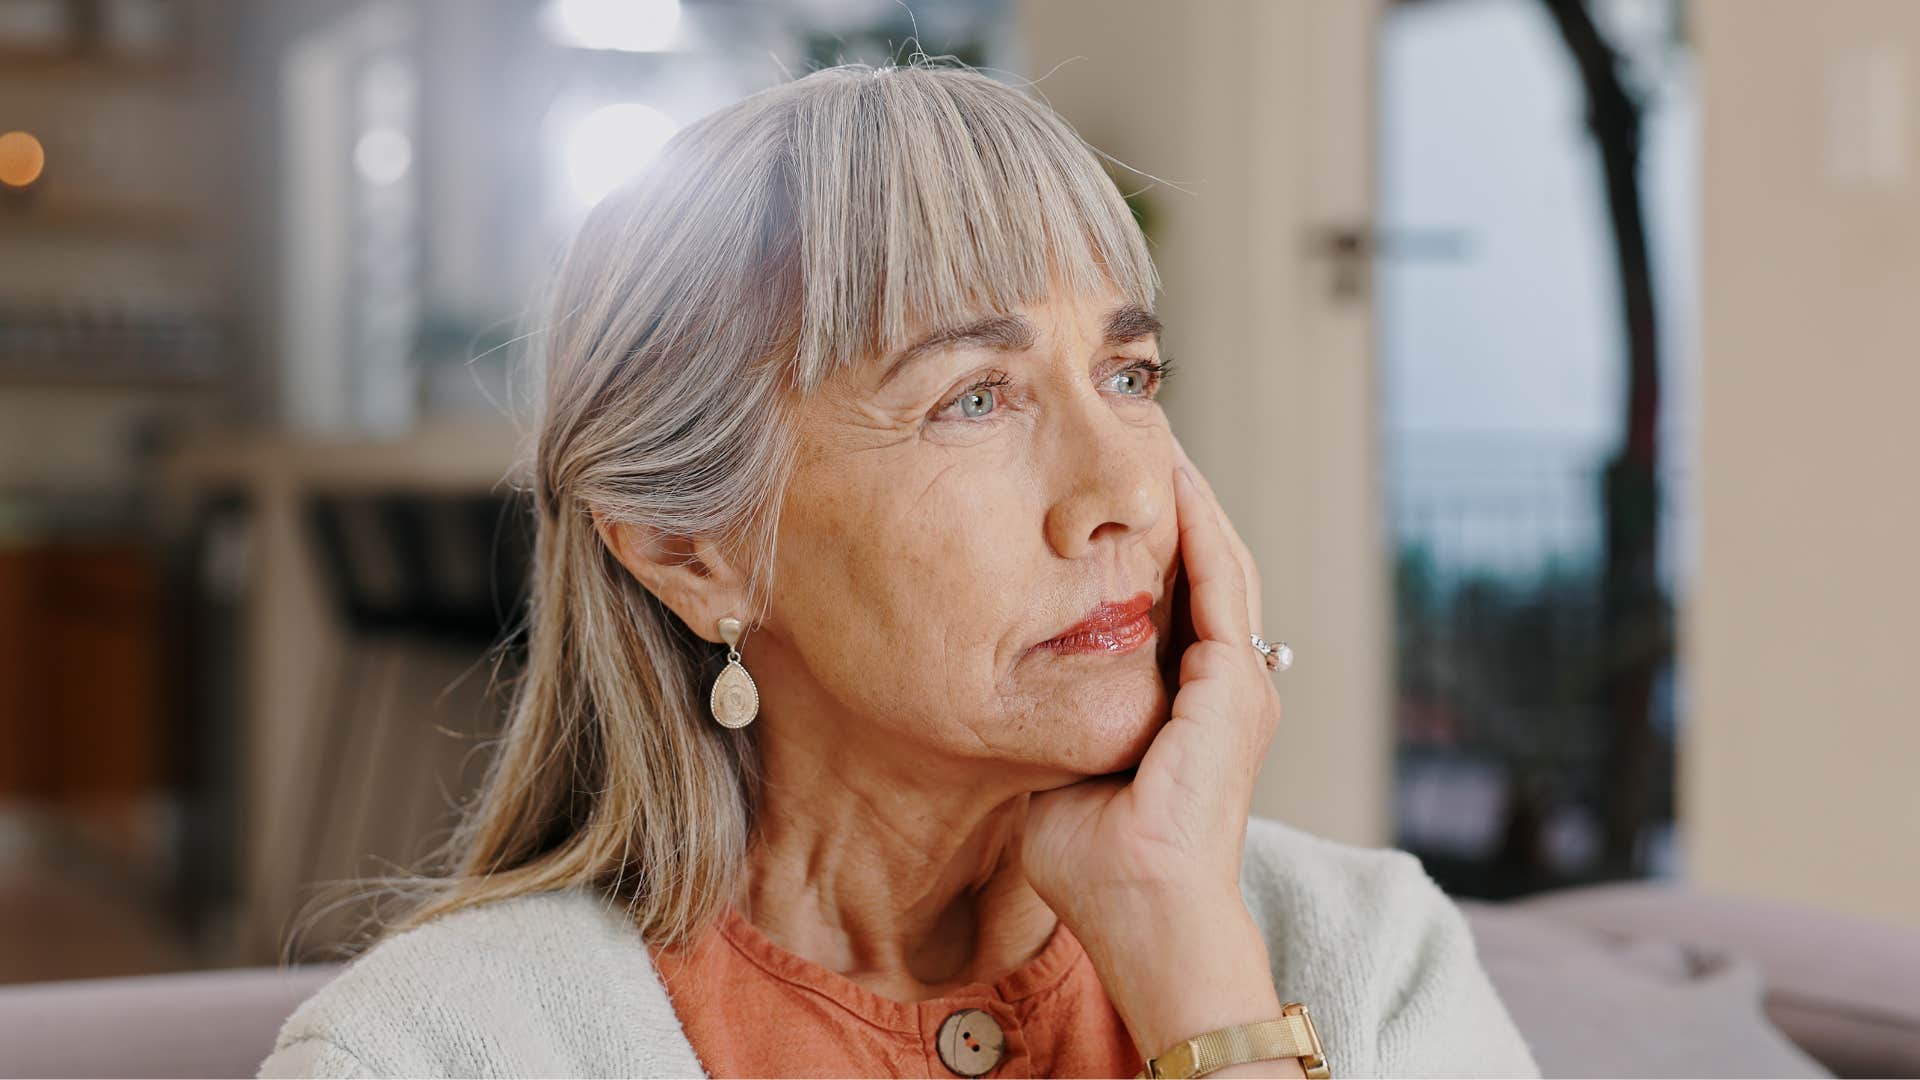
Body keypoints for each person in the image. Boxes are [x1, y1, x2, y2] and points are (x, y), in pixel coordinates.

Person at [260, 61, 1538, 1079]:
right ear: (687, 551)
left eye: (1128, 375)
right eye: (974, 398)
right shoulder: (429, 1055)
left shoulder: (1366, 952)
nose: (1125, 492)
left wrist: (1192, 963)